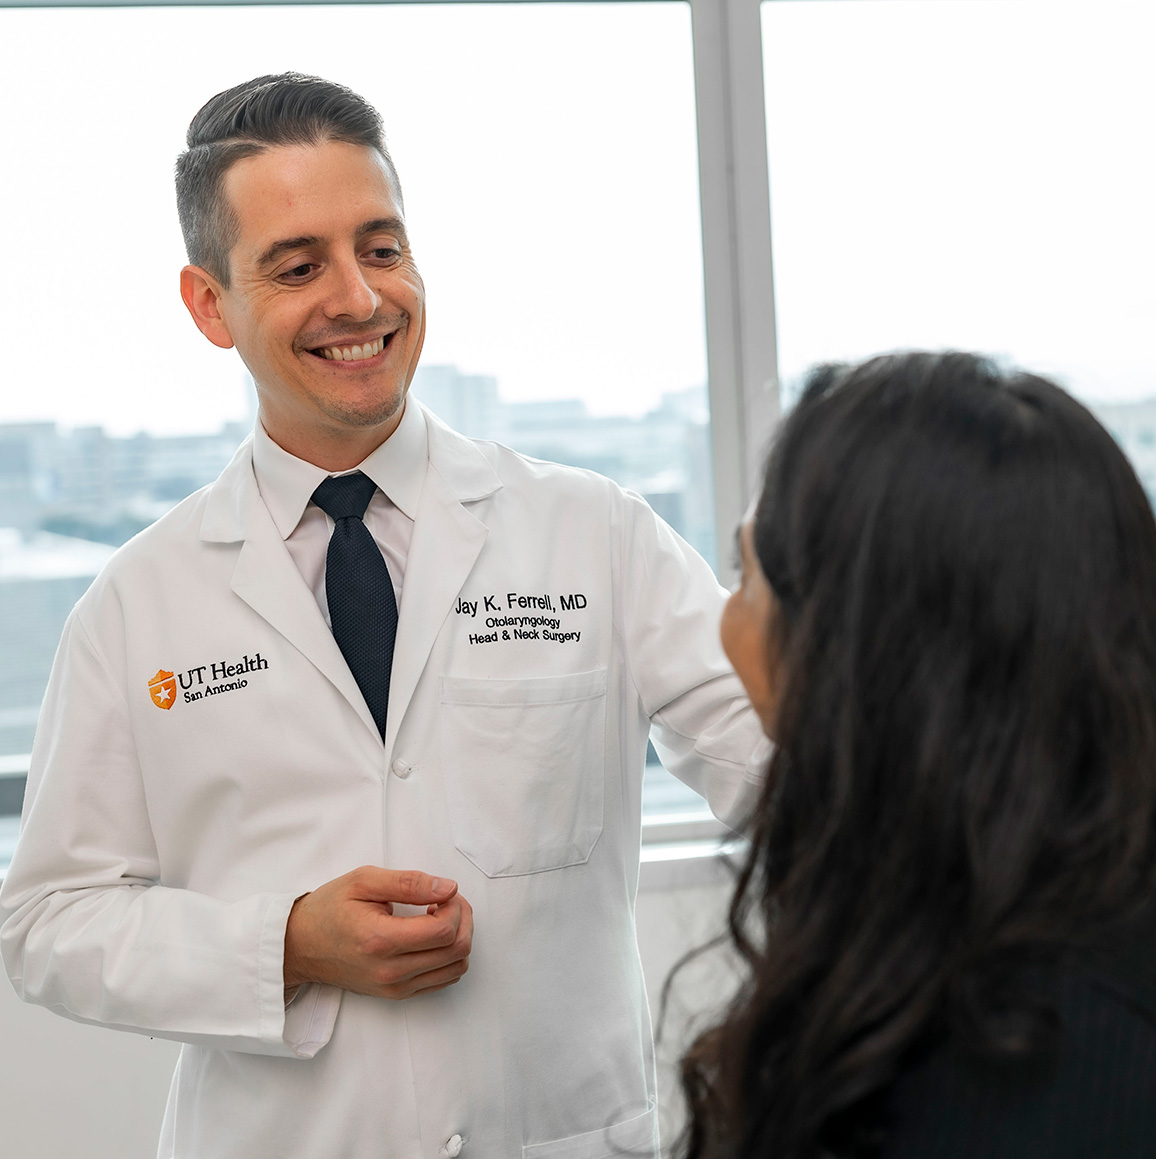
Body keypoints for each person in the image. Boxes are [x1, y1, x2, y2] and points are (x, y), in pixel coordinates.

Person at [0, 74, 767, 1158]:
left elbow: (781, 769)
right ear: (209, 303)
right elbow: (48, 923)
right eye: (298, 265)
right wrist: (285, 944)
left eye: (382, 247)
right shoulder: (138, 603)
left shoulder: (594, 533)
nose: (358, 299)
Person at [677, 350, 1156, 1158]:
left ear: (854, 652)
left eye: (747, 575)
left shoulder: (1016, 1070)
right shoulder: (1009, 894)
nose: (727, 624)